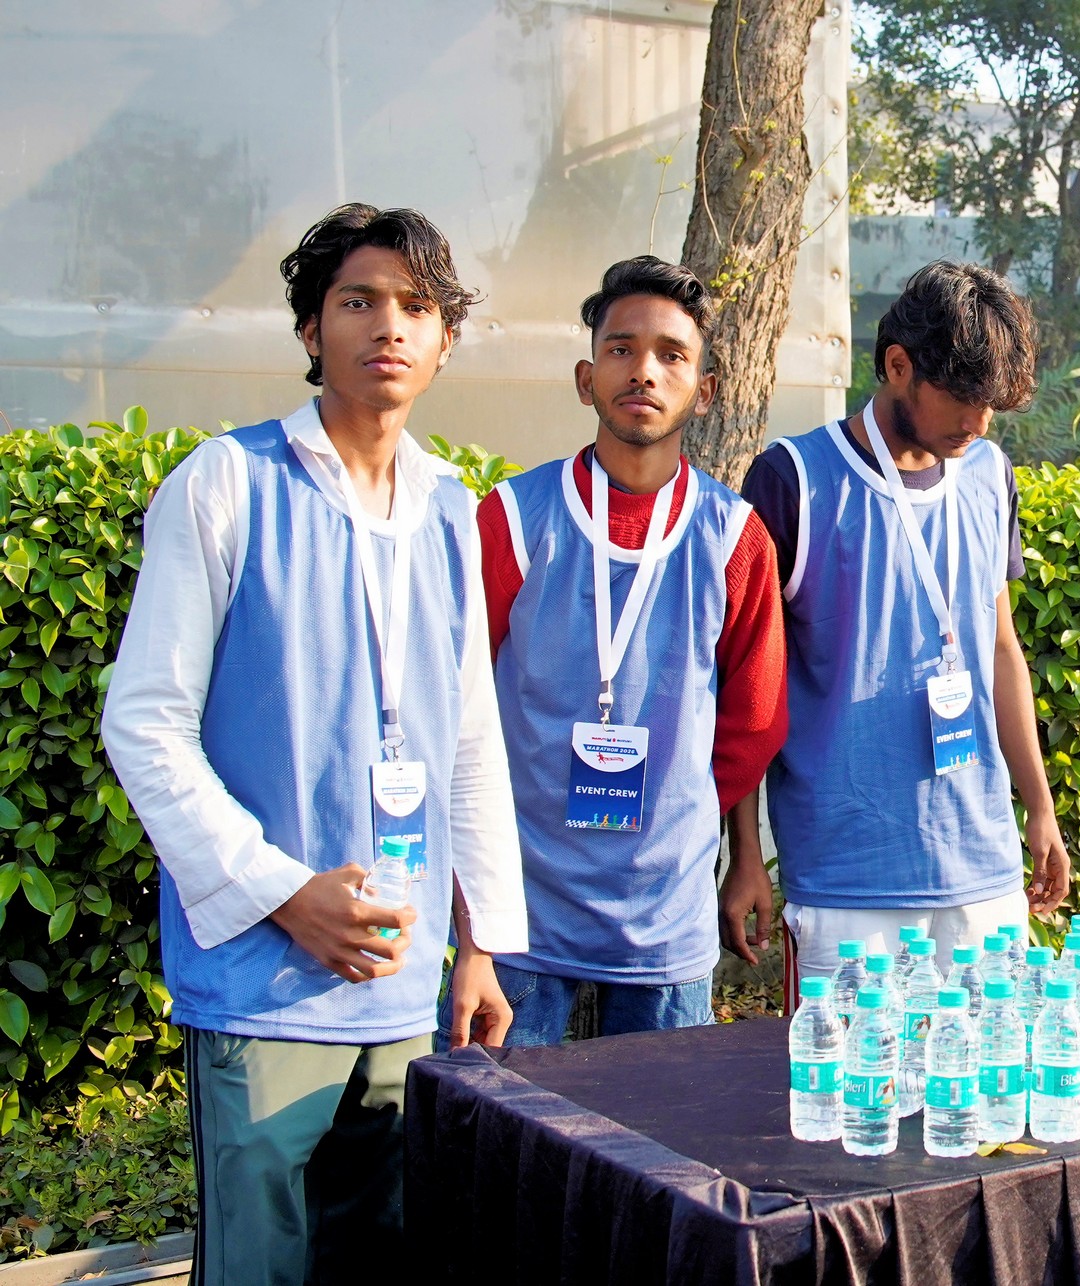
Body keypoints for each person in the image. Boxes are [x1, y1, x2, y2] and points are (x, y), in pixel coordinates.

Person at [102, 204, 527, 1284]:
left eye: (417, 307)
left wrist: (479, 944)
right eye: (357, 301)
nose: (389, 325)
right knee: (260, 1265)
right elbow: (144, 723)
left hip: (403, 985)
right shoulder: (226, 483)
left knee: (380, 1260)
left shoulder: (451, 508)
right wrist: (287, 893)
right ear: (309, 330)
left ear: (444, 341)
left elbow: (468, 741)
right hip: (263, 981)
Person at [465, 256, 787, 1042]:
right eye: (620, 349)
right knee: (498, 1109)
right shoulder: (513, 518)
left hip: (664, 906)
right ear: (586, 379)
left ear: (704, 391)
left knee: (658, 1118)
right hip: (521, 900)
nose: (643, 370)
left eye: (672, 355)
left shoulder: (733, 537)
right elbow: (459, 698)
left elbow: (750, 722)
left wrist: (711, 834)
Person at [739, 260, 1072, 1003]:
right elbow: (746, 683)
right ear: (897, 366)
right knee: (847, 1079)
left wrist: (1040, 807)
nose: (978, 424)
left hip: (982, 867)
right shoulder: (793, 479)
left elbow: (999, 649)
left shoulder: (990, 474)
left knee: (988, 1072)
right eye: (963, 399)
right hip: (846, 880)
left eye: (991, 407)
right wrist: (746, 855)